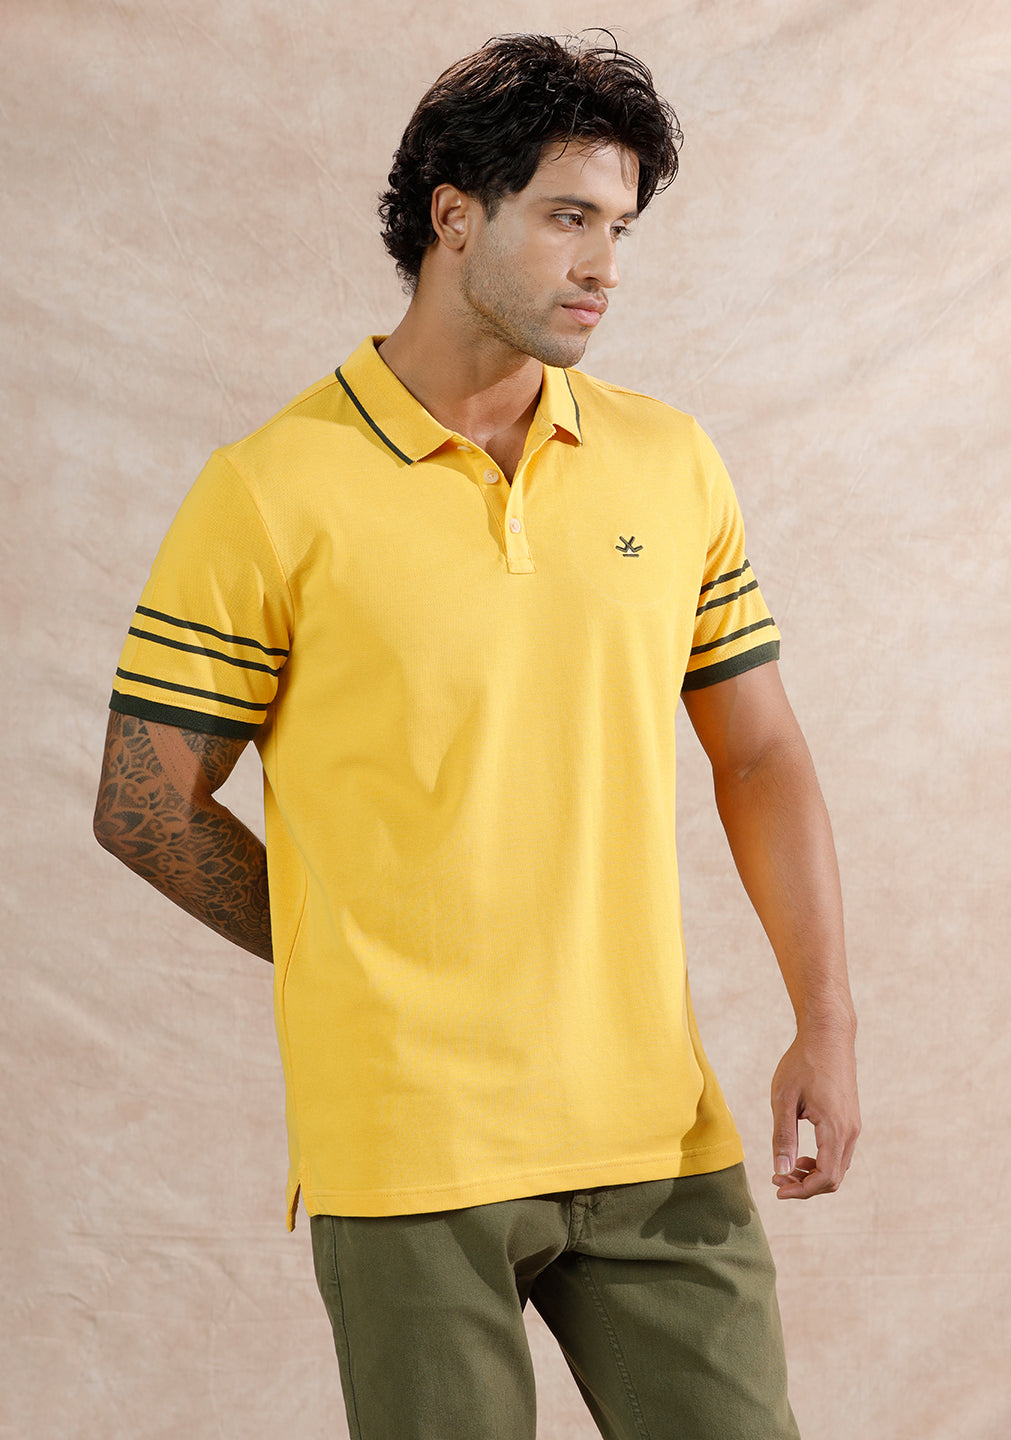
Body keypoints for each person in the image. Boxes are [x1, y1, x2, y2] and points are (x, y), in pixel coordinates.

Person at [93, 32, 859, 1440]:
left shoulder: (670, 462)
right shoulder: (270, 490)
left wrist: (826, 1019)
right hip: (411, 1148)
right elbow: (143, 805)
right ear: (455, 215)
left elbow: (758, 754)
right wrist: (343, 948)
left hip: (655, 1126)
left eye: (619, 227)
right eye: (568, 217)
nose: (604, 265)